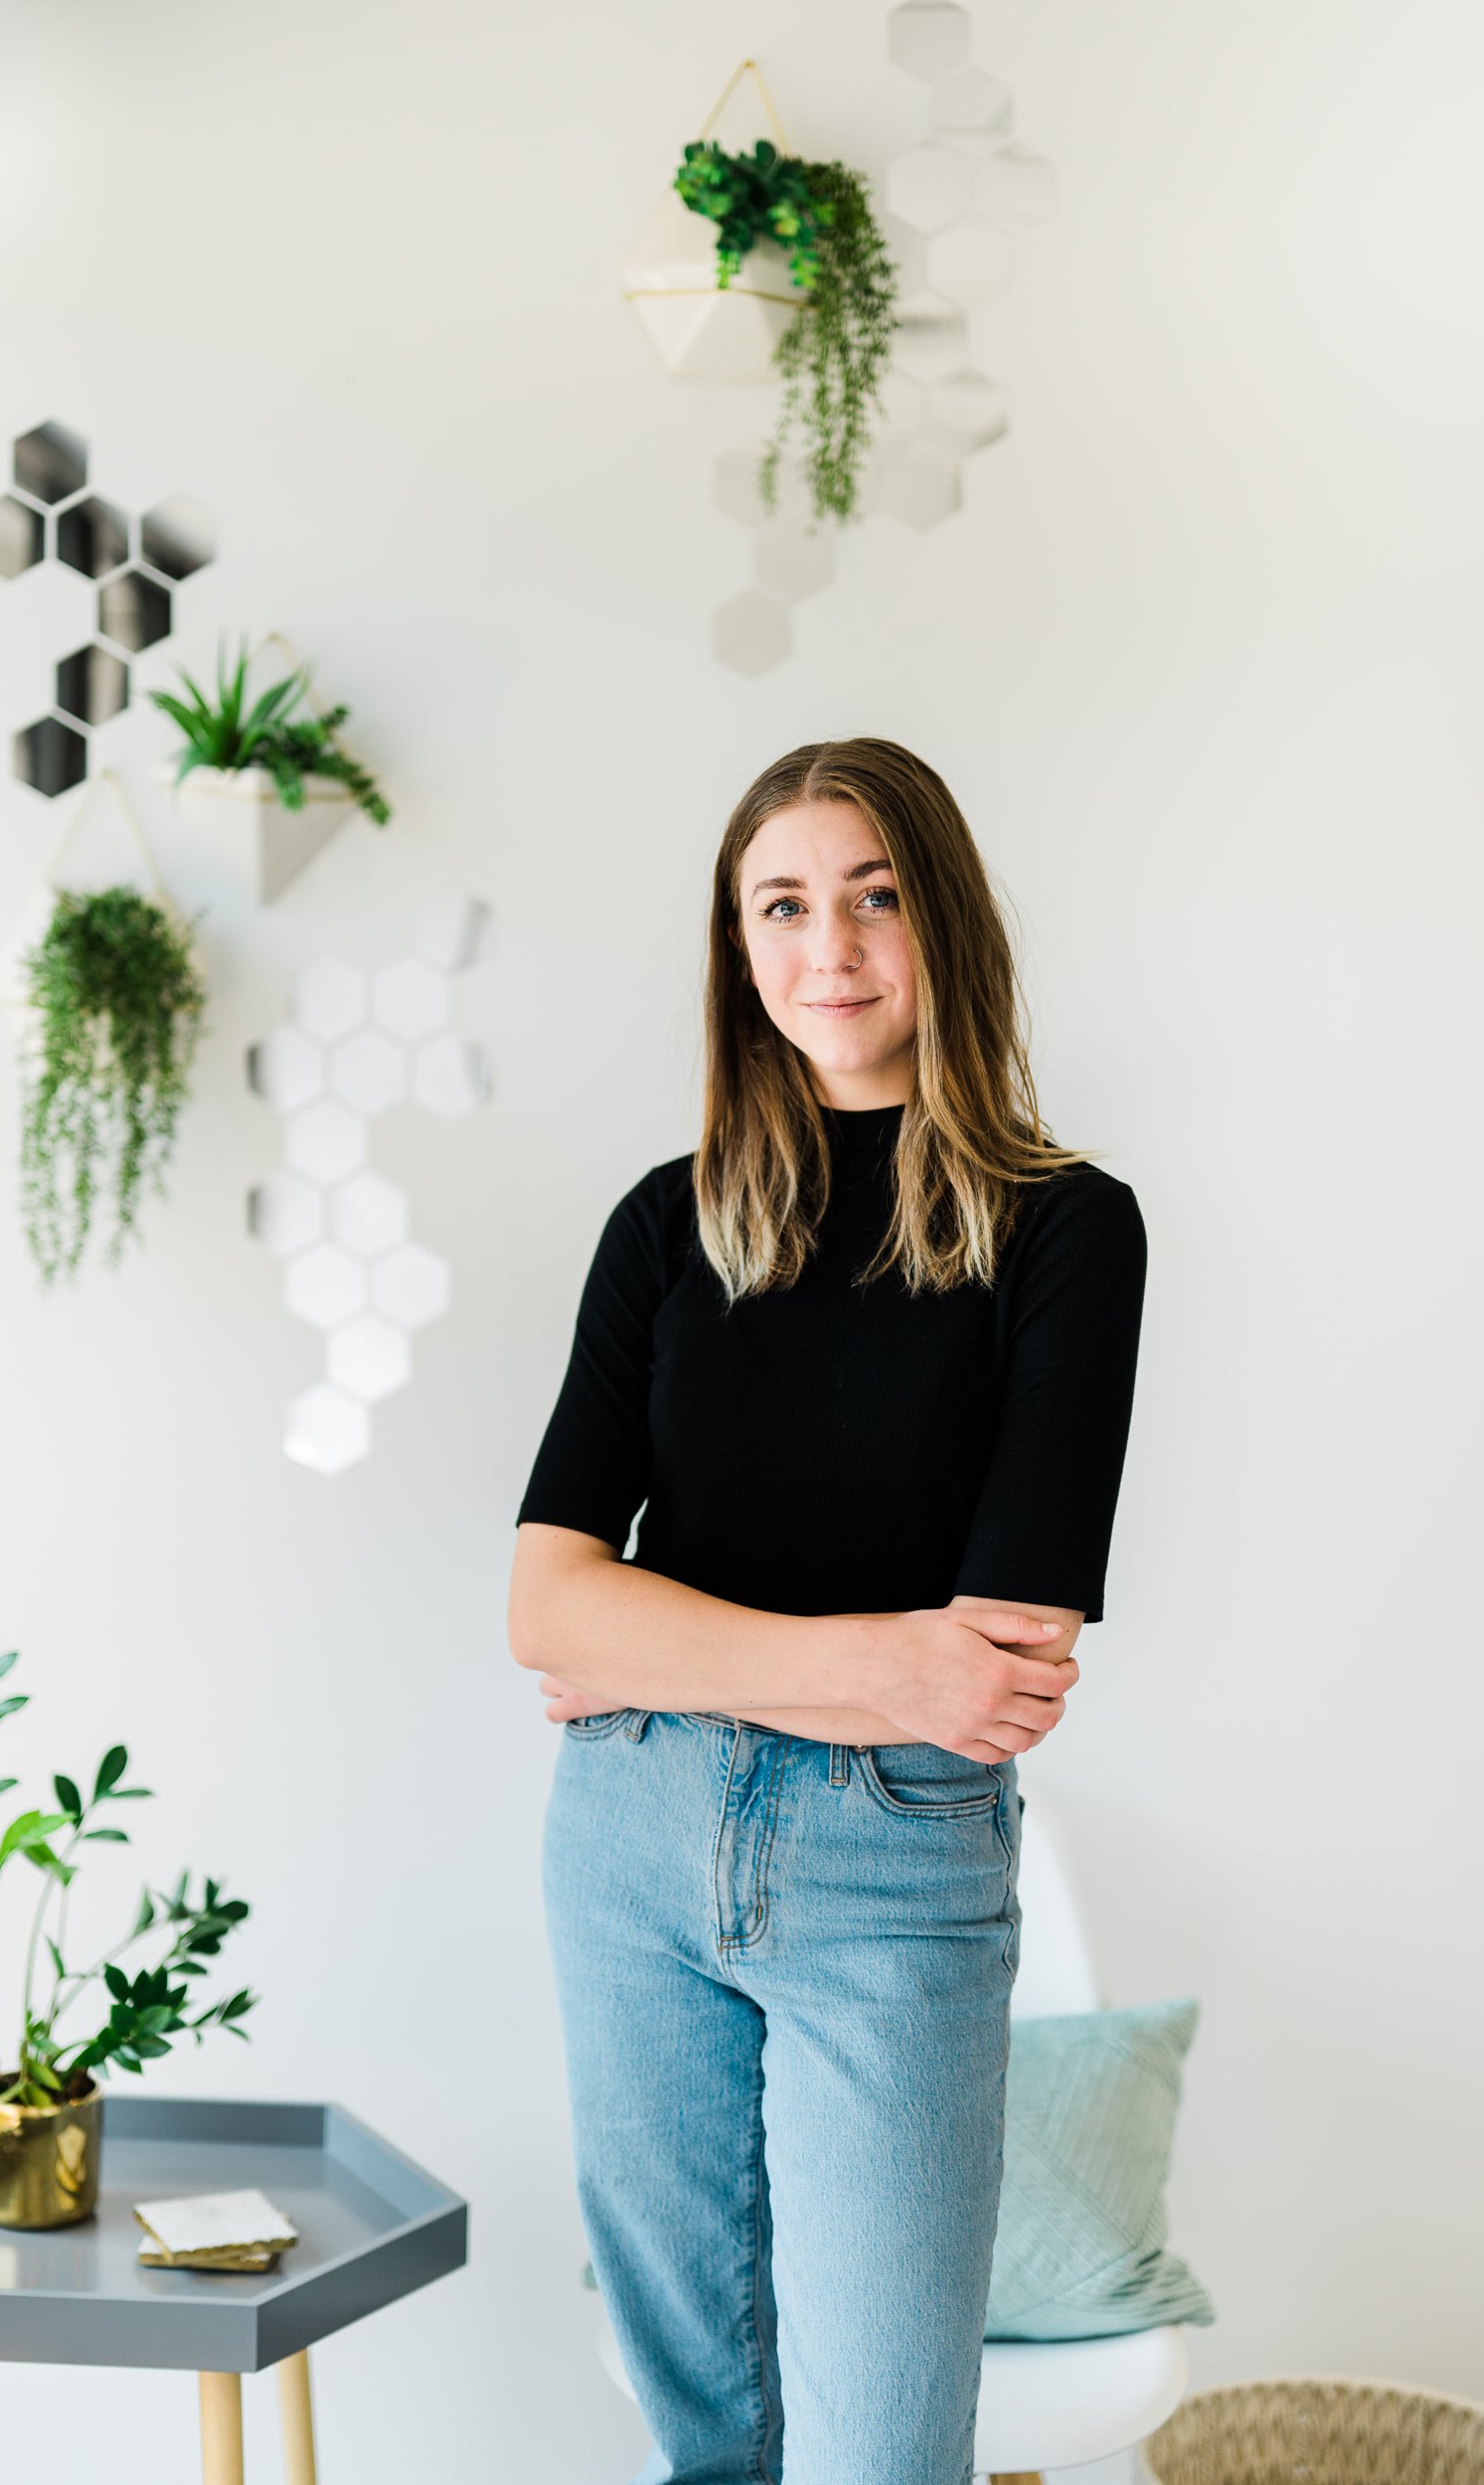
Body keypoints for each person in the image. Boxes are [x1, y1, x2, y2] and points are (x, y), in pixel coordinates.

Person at [508, 738, 1148, 2485]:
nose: (833, 946)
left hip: (896, 1870)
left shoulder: (1069, 1234)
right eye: (782, 906)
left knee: (881, 2456)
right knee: (707, 2444)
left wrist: (665, 1642)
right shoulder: (669, 1225)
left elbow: (997, 1676)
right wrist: (878, 1657)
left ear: (944, 922)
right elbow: (544, 1604)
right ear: (738, 949)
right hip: (628, 1855)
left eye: (875, 897)